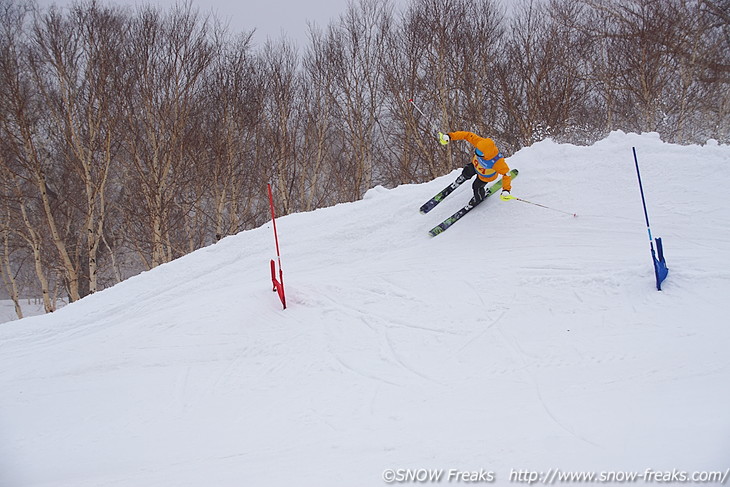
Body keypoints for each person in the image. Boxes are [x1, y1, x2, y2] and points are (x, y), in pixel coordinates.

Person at [437, 131, 512, 205]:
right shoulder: (481, 143)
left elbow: (506, 174)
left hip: (485, 176)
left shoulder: (497, 162)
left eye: (480, 153)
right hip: (475, 165)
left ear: (487, 154)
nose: (477, 153)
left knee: (476, 186)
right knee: (467, 170)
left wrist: (506, 190)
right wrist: (450, 136)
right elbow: (467, 135)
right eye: (477, 150)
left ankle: (478, 198)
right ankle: (462, 178)